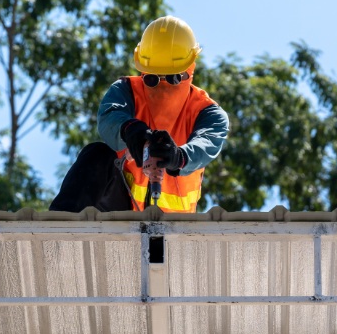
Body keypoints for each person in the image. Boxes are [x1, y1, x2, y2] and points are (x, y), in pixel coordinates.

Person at [49, 16, 229, 213]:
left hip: (173, 230)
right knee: (97, 154)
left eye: (173, 78)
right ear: (141, 71)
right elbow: (110, 116)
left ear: (190, 69)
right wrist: (130, 130)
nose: (162, 86)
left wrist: (178, 157)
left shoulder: (208, 113)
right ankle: (61, 225)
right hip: (120, 212)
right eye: (152, 79)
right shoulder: (126, 90)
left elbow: (205, 144)